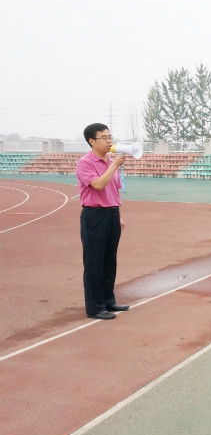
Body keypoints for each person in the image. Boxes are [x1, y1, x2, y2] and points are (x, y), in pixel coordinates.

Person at [76, 123, 129, 320]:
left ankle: (108, 300)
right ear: (92, 141)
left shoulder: (109, 162)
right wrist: (114, 166)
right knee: (94, 263)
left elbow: (115, 191)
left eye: (110, 137)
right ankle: (95, 307)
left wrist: (119, 215)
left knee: (109, 261)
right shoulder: (85, 163)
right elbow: (98, 185)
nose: (109, 141)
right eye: (104, 138)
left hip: (112, 214)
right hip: (95, 216)